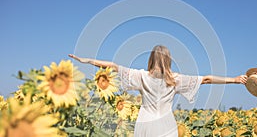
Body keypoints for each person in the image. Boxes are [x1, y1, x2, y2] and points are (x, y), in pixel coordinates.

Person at [68, 45, 247, 137]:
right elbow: (207, 78)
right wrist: (234, 80)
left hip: (145, 123)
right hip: (166, 124)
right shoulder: (175, 79)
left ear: (151, 59)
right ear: (168, 60)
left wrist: (86, 60)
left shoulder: (141, 76)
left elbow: (113, 66)